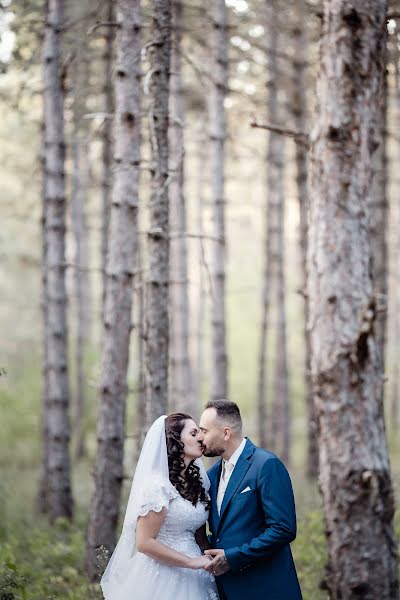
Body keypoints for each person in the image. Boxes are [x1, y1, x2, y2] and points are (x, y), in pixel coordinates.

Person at [100, 413, 219, 600]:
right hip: (162, 573)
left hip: (197, 573)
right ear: (175, 440)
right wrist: (191, 562)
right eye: (194, 433)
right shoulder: (158, 485)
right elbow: (144, 542)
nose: (201, 438)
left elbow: (199, 533)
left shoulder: (199, 482)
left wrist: (211, 559)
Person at [198, 399, 302, 600]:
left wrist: (233, 557)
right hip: (226, 589)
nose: (200, 437)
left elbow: (283, 529)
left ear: (226, 433)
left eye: (205, 431)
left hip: (265, 588)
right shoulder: (211, 475)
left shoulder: (266, 464)